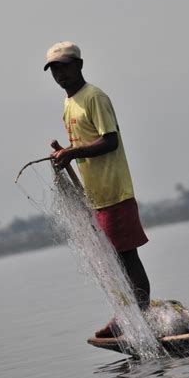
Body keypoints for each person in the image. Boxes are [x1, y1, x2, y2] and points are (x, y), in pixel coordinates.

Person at [44, 40, 151, 338]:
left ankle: (141, 315)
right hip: (97, 197)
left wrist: (73, 153)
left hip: (115, 191)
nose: (60, 75)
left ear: (79, 65)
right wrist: (65, 153)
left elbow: (110, 140)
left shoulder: (94, 97)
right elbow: (83, 145)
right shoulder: (69, 103)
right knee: (113, 259)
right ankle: (129, 315)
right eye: (54, 70)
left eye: (65, 67)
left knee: (126, 256)